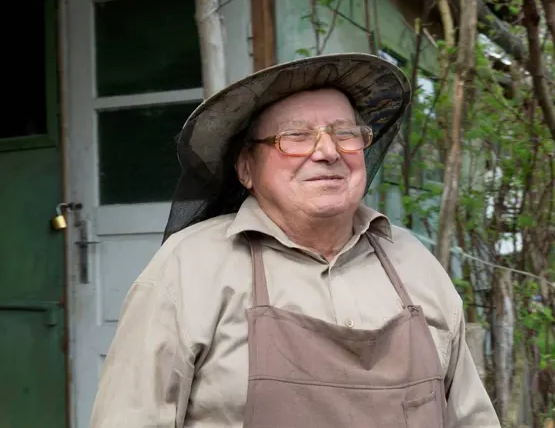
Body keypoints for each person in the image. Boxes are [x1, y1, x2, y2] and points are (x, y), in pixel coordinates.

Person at [90, 53, 500, 428]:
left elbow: (471, 419)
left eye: (345, 133)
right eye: (296, 136)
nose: (327, 152)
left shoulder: (414, 263)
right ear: (247, 169)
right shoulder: (188, 267)